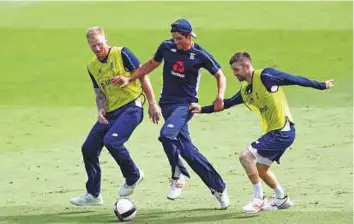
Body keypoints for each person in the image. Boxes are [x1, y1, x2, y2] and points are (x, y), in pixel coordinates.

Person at [190, 51, 334, 213]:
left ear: (247, 66)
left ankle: (258, 198)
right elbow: (227, 103)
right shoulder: (246, 91)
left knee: (246, 156)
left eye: (236, 70)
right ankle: (281, 198)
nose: (234, 74)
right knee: (261, 169)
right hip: (276, 132)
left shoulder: (266, 76)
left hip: (282, 131)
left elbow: (294, 79)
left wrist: (321, 85)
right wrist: (202, 109)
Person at [114, 18, 230, 209]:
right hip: (167, 104)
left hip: (185, 105)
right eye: (174, 38)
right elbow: (151, 64)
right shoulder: (166, 47)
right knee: (188, 151)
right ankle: (219, 188)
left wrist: (220, 97)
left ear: (189, 36)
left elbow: (220, 75)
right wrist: (130, 78)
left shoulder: (199, 54)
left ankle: (179, 174)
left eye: (179, 38)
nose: (175, 42)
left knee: (166, 135)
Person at [70, 27, 161, 206]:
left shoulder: (122, 53)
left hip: (131, 108)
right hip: (110, 113)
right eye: (93, 45)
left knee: (112, 141)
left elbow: (143, 76)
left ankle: (133, 175)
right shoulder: (92, 66)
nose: (97, 48)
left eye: (100, 44)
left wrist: (152, 103)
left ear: (106, 40)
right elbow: (99, 92)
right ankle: (93, 194)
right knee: (88, 148)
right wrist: (100, 109)